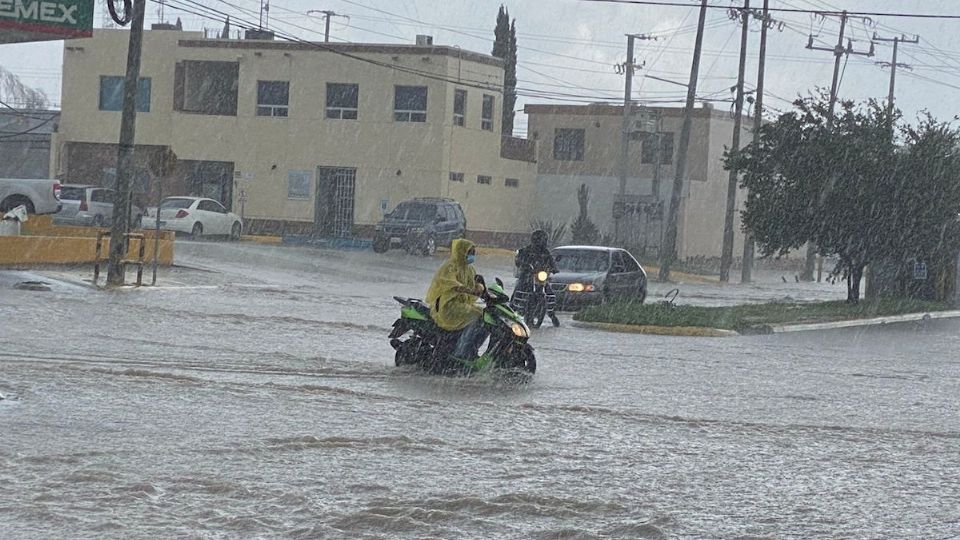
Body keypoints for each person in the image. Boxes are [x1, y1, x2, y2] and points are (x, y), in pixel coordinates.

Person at [425, 238, 488, 361]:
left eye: (474, 253)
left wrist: (481, 288)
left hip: (462, 304)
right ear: (461, 251)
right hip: (448, 306)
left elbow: (475, 283)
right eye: (470, 252)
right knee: (478, 316)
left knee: (487, 317)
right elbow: (450, 282)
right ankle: (462, 352)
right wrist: (465, 289)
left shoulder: (469, 269)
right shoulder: (450, 266)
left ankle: (471, 348)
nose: (472, 255)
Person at [513, 229, 560, 326]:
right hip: (527, 277)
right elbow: (519, 260)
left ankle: (552, 314)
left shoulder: (546, 252)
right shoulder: (526, 250)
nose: (541, 242)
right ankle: (513, 308)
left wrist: (554, 268)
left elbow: (552, 262)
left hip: (541, 279)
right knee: (519, 289)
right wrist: (524, 265)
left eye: (543, 240)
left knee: (550, 293)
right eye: (539, 239)